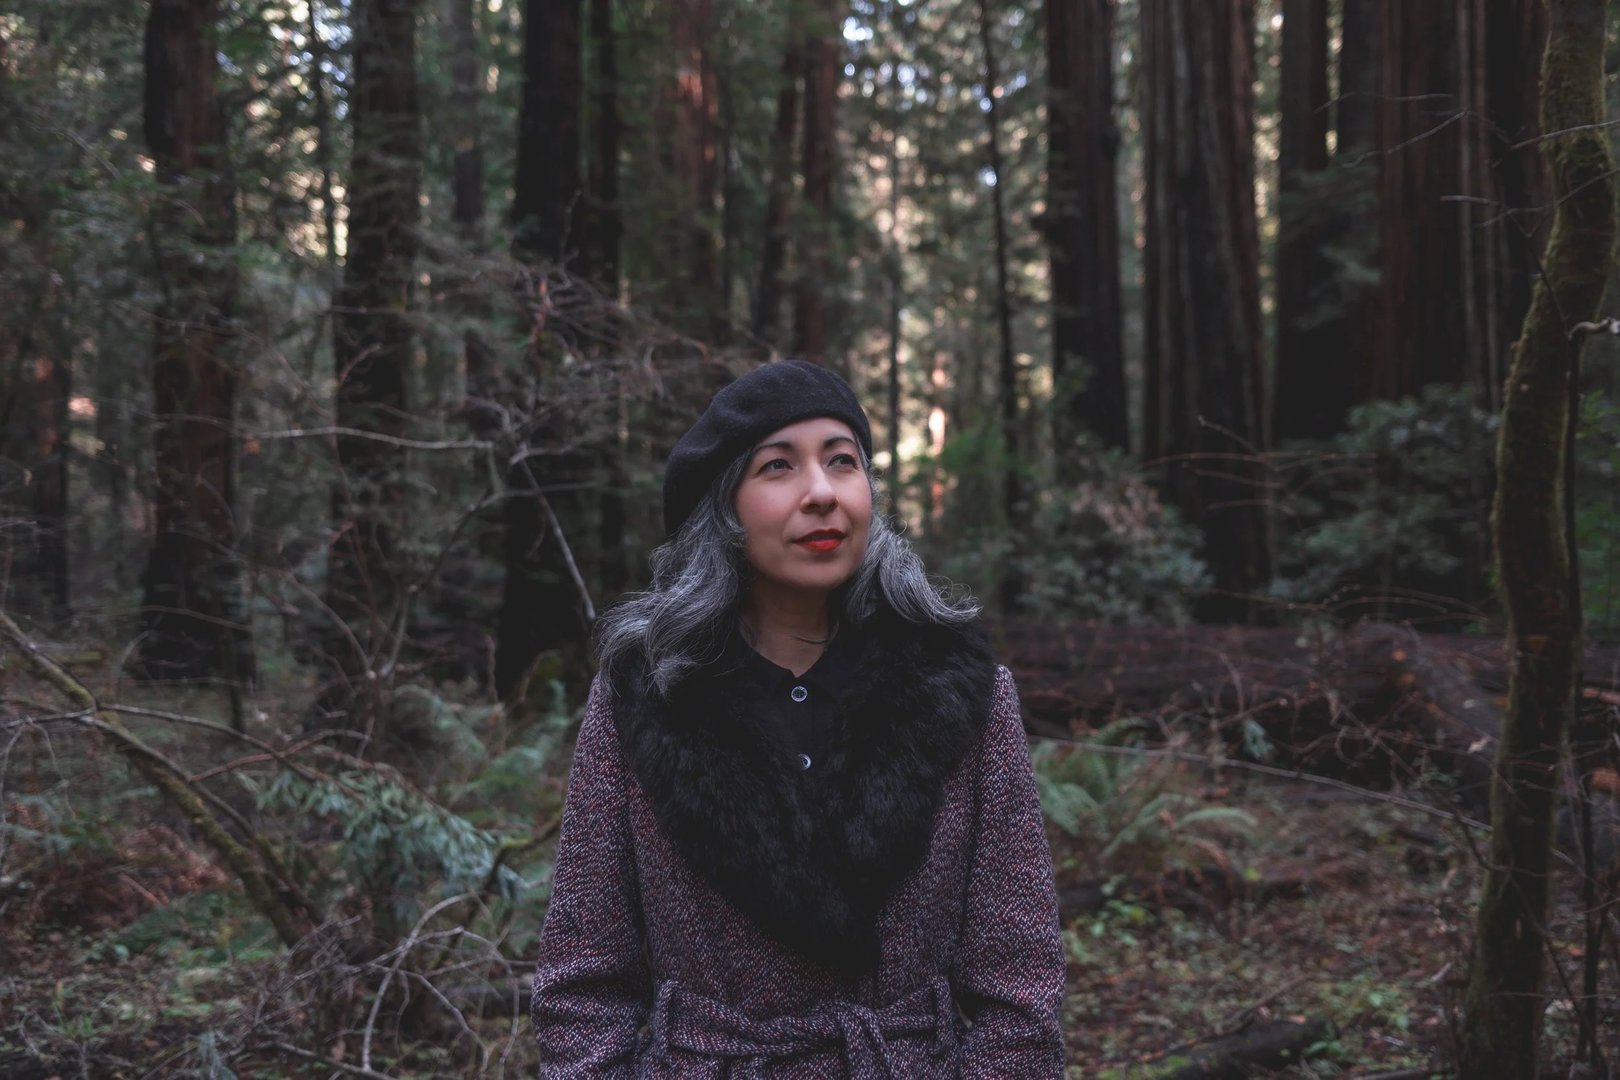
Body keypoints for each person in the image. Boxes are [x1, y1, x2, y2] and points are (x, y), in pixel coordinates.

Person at [530, 359, 1066, 1077]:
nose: (822, 493)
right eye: (778, 467)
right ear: (722, 510)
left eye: (842, 462)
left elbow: (1021, 991)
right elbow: (580, 988)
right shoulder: (645, 699)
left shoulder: (961, 691)